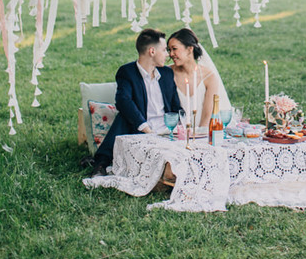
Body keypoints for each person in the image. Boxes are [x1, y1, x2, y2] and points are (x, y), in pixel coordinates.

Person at [91, 28, 181, 177]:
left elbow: (175, 106)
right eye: (164, 50)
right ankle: (101, 162)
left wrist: (179, 126)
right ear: (152, 51)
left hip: (166, 130)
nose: (168, 55)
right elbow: (123, 100)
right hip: (141, 130)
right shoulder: (127, 72)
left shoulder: (166, 73)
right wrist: (146, 129)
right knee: (124, 115)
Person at [167, 28, 229, 128]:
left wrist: (198, 136)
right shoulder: (167, 73)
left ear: (190, 49)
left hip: (202, 132)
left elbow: (207, 115)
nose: (171, 54)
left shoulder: (209, 77)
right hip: (176, 132)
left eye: (174, 49)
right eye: (169, 50)